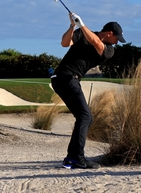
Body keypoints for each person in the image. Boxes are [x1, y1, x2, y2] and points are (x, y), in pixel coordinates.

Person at [51, 12, 125, 170]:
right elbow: (65, 43)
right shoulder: (82, 33)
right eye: (116, 38)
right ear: (110, 33)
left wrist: (82, 25)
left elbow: (96, 42)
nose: (117, 42)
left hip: (67, 79)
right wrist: (72, 26)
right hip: (65, 78)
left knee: (84, 117)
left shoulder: (109, 50)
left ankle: (72, 158)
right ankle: (76, 158)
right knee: (85, 117)